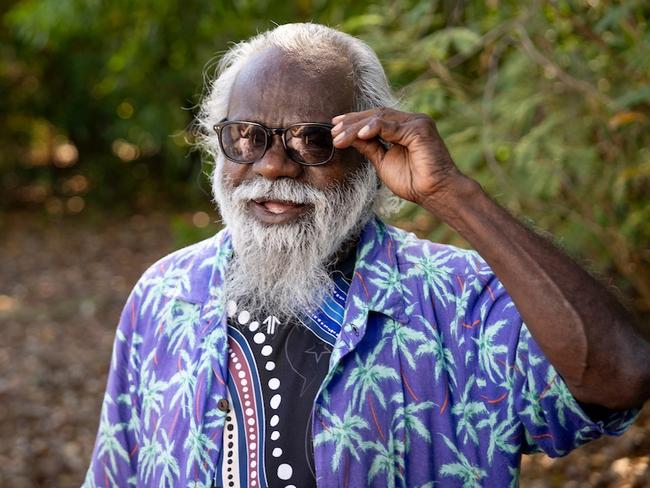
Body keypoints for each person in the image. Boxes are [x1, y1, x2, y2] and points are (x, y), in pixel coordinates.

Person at [83, 23, 649, 488]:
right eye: (248, 136)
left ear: (370, 152)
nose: (274, 166)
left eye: (314, 140)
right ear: (218, 143)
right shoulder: (165, 293)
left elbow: (621, 374)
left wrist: (453, 195)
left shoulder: (459, 301)